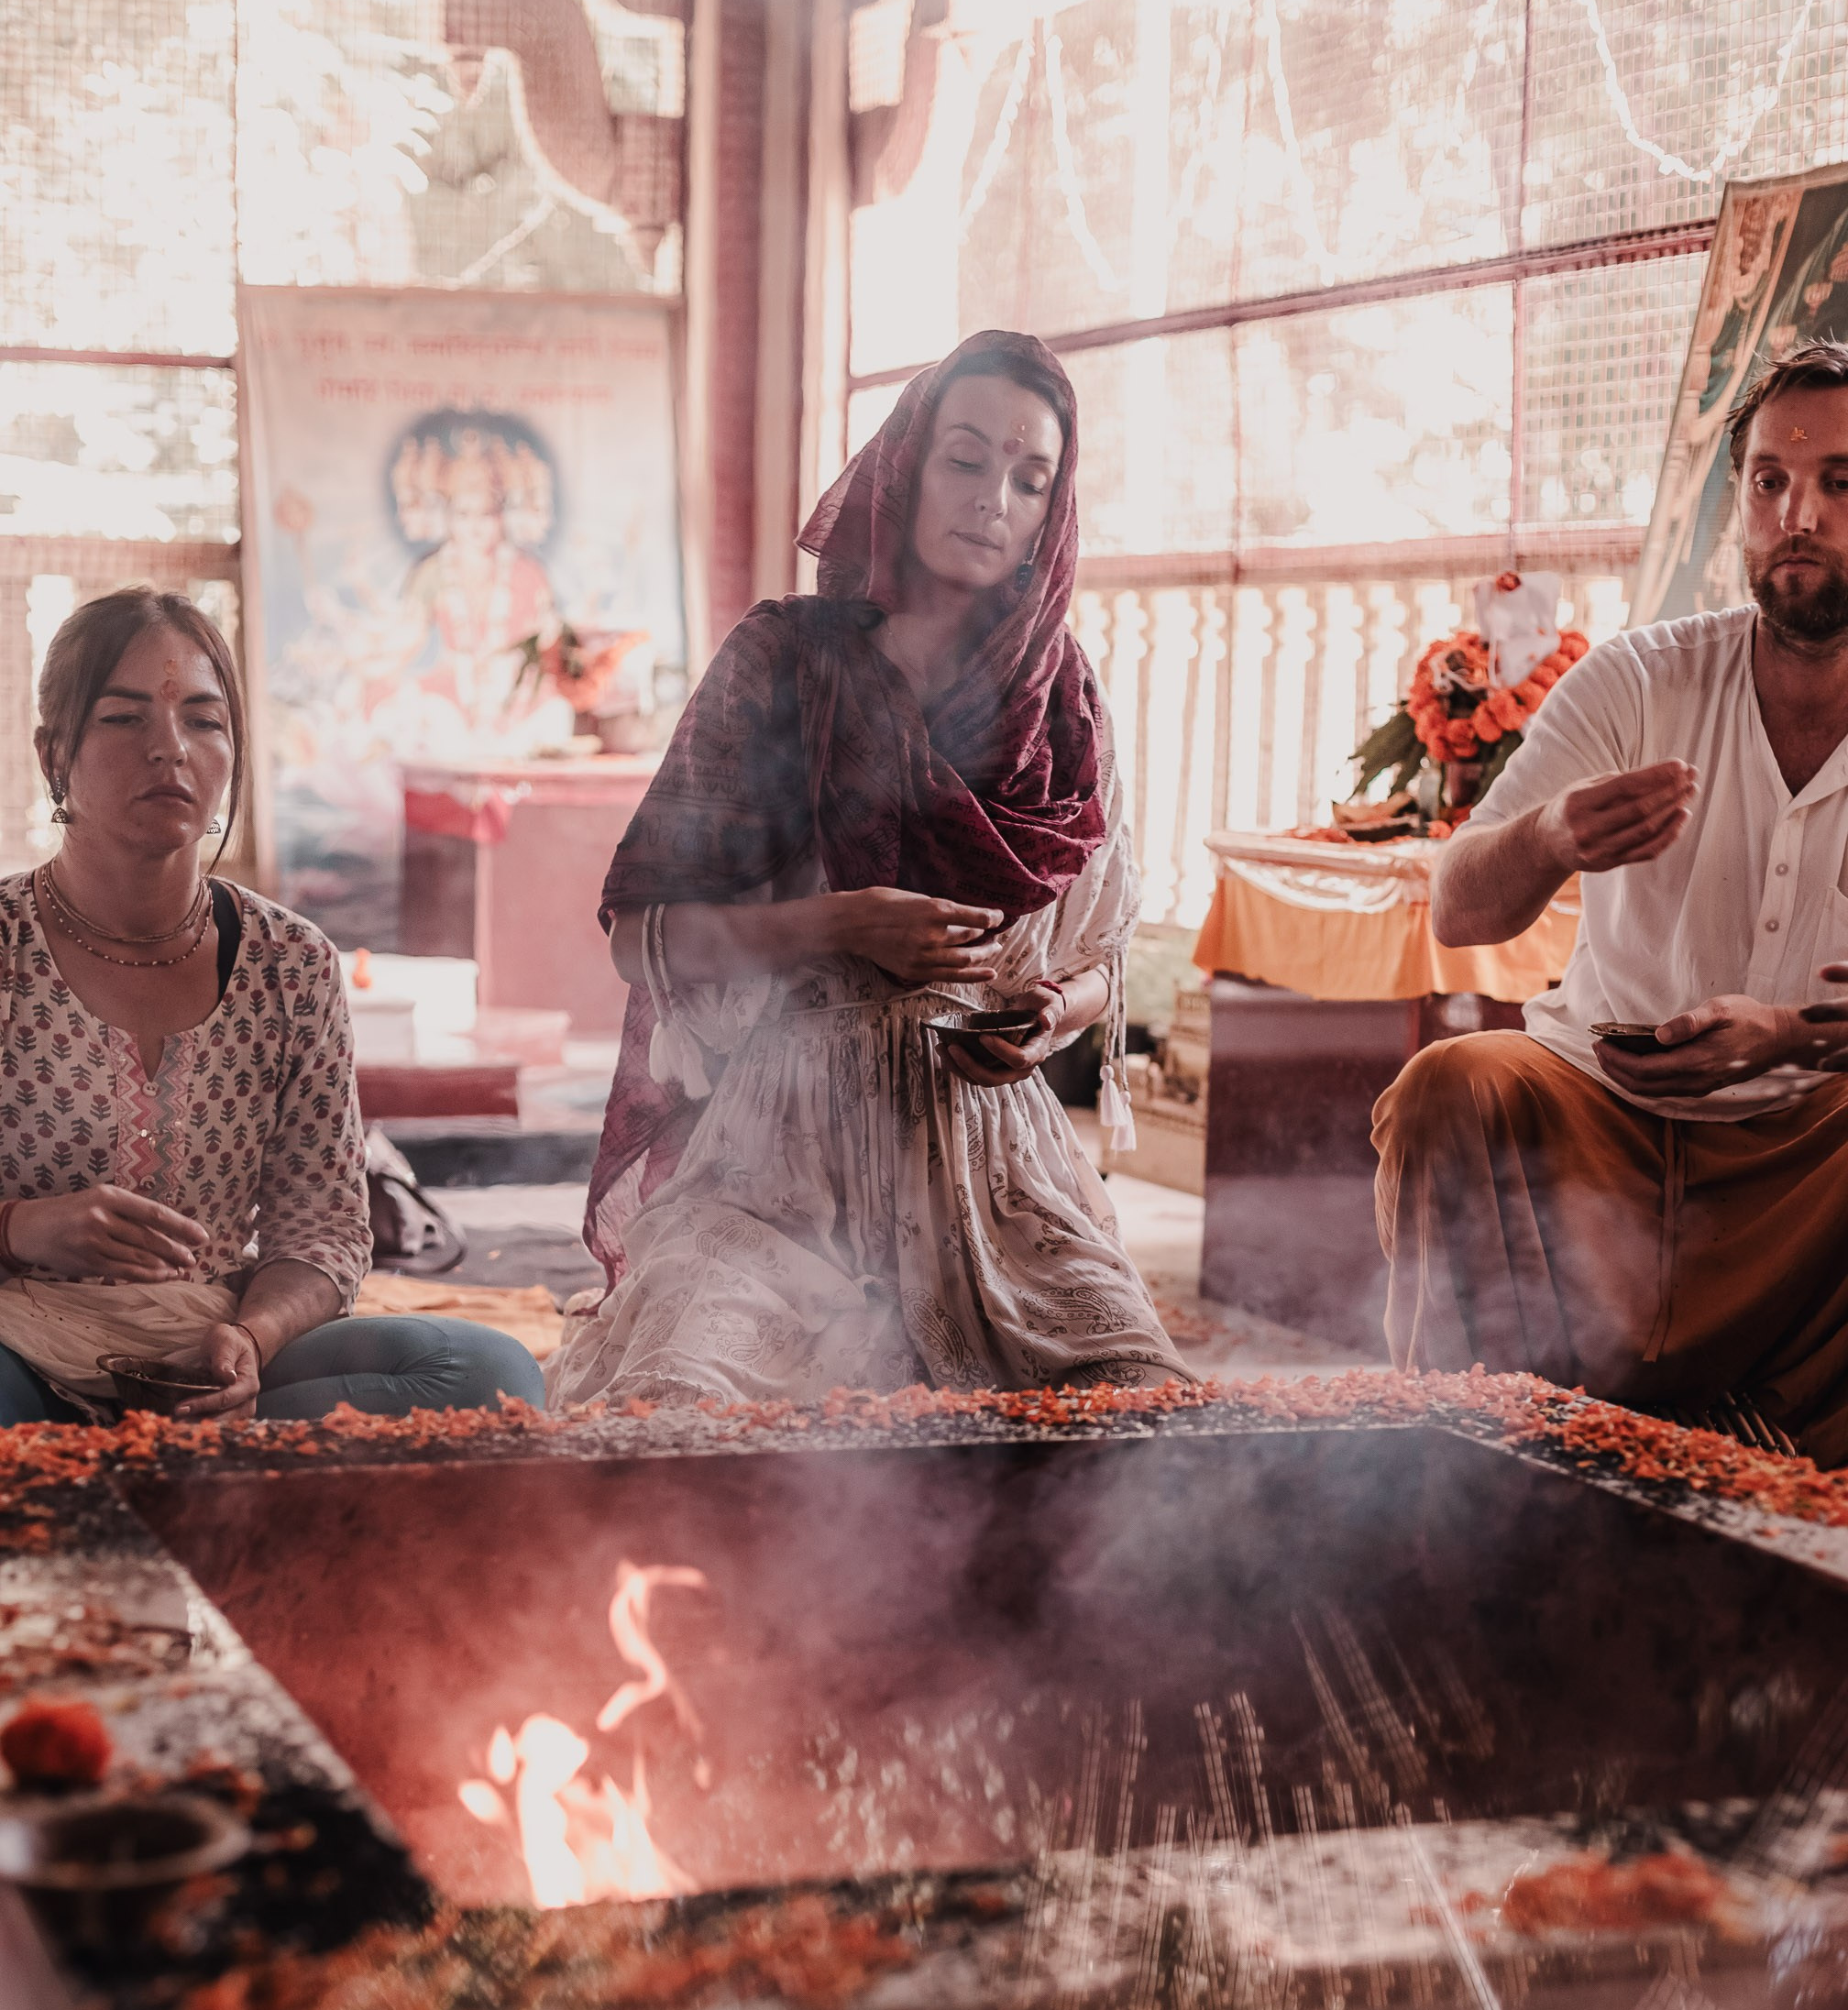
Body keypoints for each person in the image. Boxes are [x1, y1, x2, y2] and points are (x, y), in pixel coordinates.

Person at [549, 330, 1187, 1409]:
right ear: (906, 463)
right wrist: (834, 924)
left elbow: (1097, 968)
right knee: (683, 1408)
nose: (994, 497)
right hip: (781, 1155)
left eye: (1031, 478)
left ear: (1052, 516)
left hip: (999, 1168)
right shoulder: (786, 663)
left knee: (1137, 1411)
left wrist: (1045, 1018)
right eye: (967, 459)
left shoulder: (1063, 701)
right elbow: (638, 936)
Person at [1371, 339, 1848, 1465]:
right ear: (1737, 506)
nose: (1801, 517)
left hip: (1808, 1163)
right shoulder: (1640, 678)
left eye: (1842, 483)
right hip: (1599, 1121)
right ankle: (1459, 1472)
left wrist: (1786, 1035)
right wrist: (1549, 834)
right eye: (1770, 483)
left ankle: (1795, 1498)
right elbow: (1457, 911)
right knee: (1454, 1083)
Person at [0, 586, 543, 1425]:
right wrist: (21, 1228)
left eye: (205, 721)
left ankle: (165, 1451)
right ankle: (181, 1472)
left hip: (209, 1340)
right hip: (18, 1344)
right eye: (123, 717)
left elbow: (323, 1231)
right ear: (53, 755)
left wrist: (251, 1338)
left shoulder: (290, 964)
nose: (169, 749)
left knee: (487, 1373)